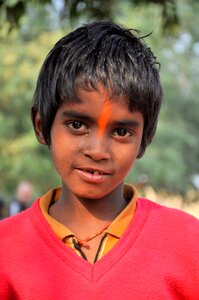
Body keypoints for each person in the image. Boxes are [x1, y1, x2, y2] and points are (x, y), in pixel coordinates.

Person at [0, 21, 199, 299]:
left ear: (144, 140)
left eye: (121, 132)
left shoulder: (188, 244)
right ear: (41, 125)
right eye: (78, 125)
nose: (97, 150)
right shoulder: (5, 249)